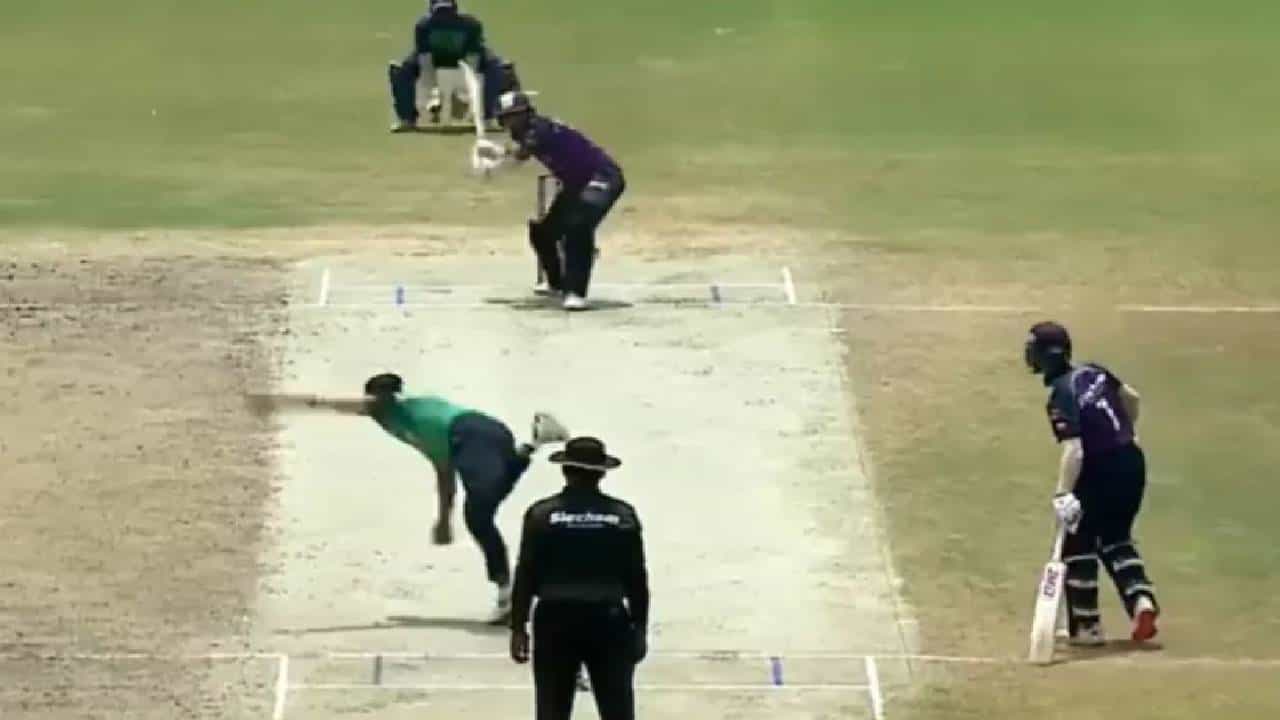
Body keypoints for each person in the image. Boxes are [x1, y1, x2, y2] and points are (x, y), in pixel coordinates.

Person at [246, 373, 569, 623]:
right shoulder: (385, 417)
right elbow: (442, 471)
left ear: (394, 397)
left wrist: (274, 402)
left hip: (473, 434)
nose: (374, 405)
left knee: (480, 513)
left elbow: (444, 471)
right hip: (476, 440)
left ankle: (507, 595)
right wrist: (443, 519)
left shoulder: (409, 410)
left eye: (382, 399)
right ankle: (533, 444)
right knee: (484, 508)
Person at [1025, 321, 1160, 645]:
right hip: (1132, 460)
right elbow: (1132, 398)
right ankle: (1141, 600)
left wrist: (1063, 494)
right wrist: (1122, 433)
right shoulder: (1094, 371)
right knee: (1115, 536)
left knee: (1077, 540)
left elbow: (1075, 449)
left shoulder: (1061, 395)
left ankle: (1087, 626)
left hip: (1100, 469)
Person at [509, 437, 649, 720]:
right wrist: (640, 627)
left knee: (552, 709)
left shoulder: (542, 514)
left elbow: (526, 573)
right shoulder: (622, 516)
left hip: (555, 619)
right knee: (617, 708)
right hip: (608, 620)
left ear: (565, 470)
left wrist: (518, 626)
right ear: (601, 473)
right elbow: (636, 578)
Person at [487, 91, 626, 311]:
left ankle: (576, 292)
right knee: (543, 233)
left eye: (515, 116)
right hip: (576, 183)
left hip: (602, 176)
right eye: (506, 118)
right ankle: (557, 283)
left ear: (526, 113)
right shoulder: (523, 133)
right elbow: (519, 152)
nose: (511, 122)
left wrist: (490, 165)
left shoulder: (539, 128)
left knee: (578, 226)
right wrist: (496, 153)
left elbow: (519, 157)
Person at [387, 0, 518, 132]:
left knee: (498, 69)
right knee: (402, 71)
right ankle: (407, 118)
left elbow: (472, 61)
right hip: (437, 59)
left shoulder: (470, 25)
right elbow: (426, 63)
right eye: (440, 12)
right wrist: (434, 96)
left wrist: (463, 96)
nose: (444, 17)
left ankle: (490, 116)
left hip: (462, 59)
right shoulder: (424, 26)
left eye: (446, 11)